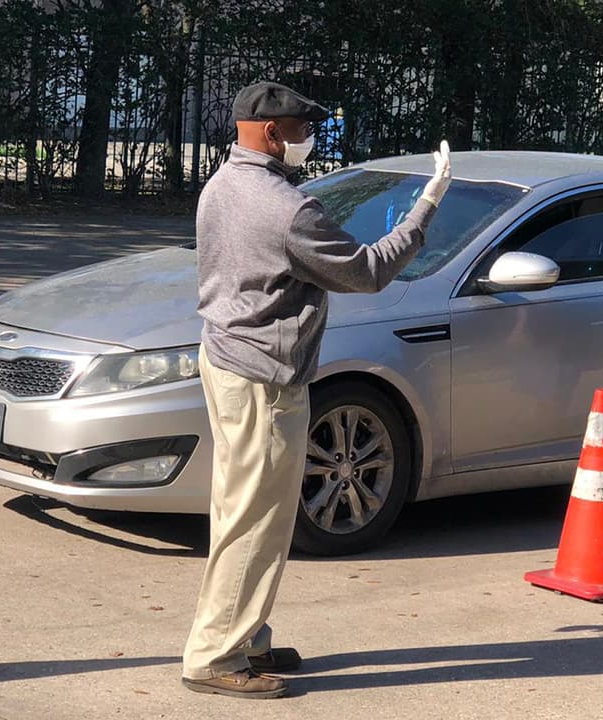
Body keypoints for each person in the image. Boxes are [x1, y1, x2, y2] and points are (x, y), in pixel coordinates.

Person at [181, 80, 452, 699]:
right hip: (265, 375)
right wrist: (426, 207)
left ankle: (245, 636)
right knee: (259, 520)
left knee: (239, 508)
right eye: (304, 129)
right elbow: (368, 272)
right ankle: (216, 655)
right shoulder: (287, 207)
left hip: (225, 359)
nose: (311, 140)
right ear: (273, 133)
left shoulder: (223, 184)